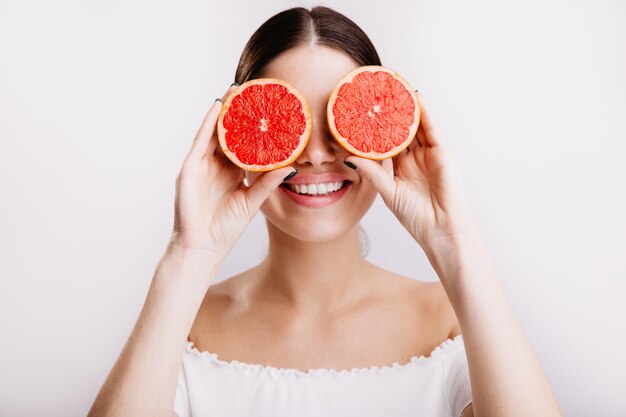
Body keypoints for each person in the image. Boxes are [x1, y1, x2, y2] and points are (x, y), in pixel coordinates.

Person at [87, 6, 563, 417]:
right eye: (289, 123)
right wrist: (188, 254)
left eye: (342, 120)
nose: (316, 154)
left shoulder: (455, 320)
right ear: (237, 141)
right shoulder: (180, 327)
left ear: (387, 139)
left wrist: (454, 244)